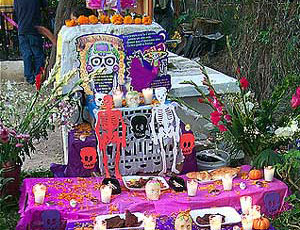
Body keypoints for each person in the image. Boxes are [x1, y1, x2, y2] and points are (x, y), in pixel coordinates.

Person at [14, 0, 47, 84]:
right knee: (38, 53)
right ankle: (38, 76)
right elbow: (45, 6)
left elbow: (16, 12)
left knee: (26, 54)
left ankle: (29, 77)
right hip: (34, 28)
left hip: (22, 28)